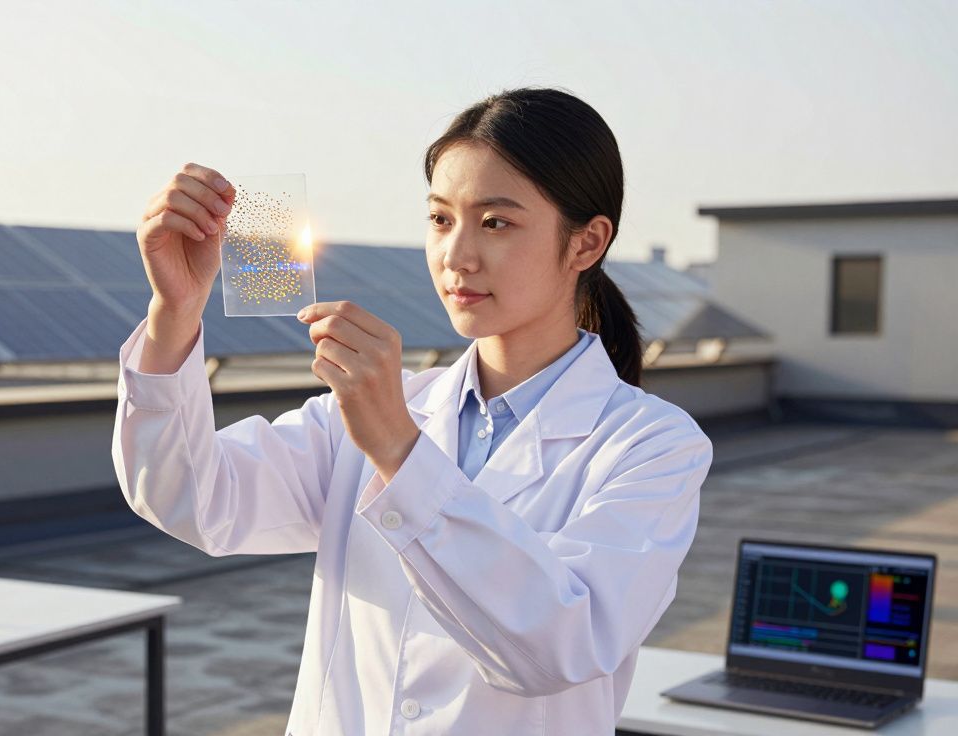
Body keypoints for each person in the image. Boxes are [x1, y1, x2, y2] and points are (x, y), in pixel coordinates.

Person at [112, 86, 713, 735]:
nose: (457, 256)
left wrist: (399, 448)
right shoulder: (367, 415)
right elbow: (193, 499)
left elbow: (562, 647)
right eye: (440, 219)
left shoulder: (654, 446)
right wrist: (174, 313)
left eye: (496, 222)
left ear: (586, 243)